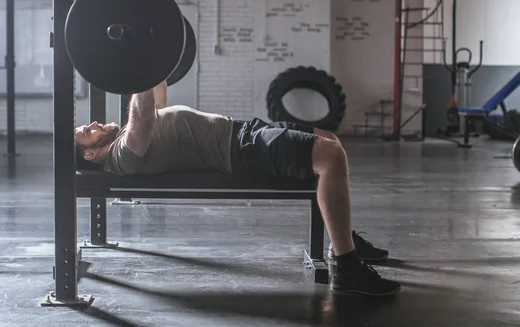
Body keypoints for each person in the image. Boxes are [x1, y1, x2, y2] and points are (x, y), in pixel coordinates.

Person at [75, 81, 401, 296]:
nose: (92, 124)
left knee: (331, 141)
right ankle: (345, 267)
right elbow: (144, 115)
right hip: (241, 150)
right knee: (330, 157)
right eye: (85, 132)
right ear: (90, 153)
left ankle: (340, 238)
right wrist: (138, 72)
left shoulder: (121, 140)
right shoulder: (119, 157)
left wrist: (152, 53)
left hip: (244, 131)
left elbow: (156, 99)